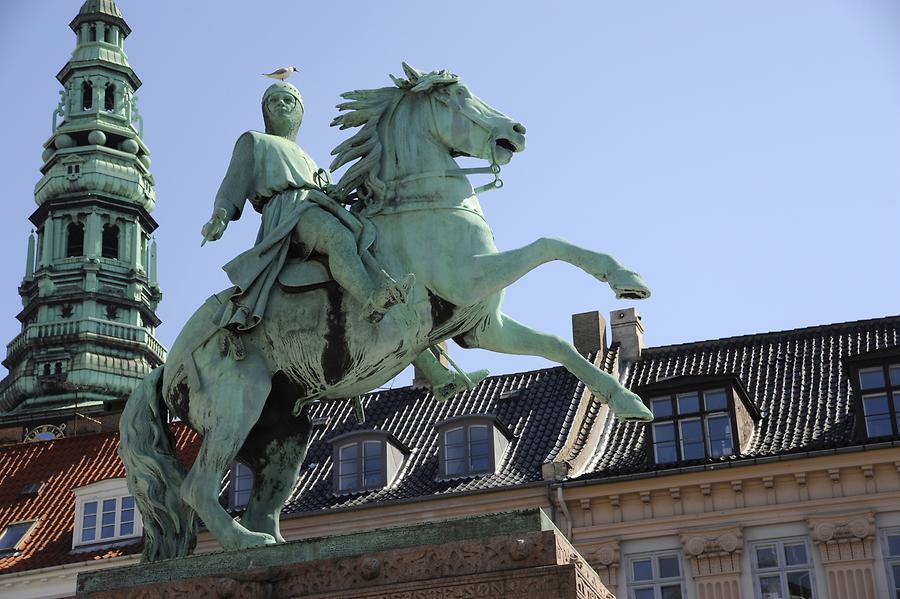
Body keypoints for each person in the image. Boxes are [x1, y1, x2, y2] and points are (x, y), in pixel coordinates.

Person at [200, 82, 412, 330]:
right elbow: (231, 185)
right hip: (289, 211)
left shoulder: (310, 159)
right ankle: (371, 300)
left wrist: (336, 193)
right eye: (274, 101)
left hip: (317, 207)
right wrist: (220, 216)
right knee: (338, 236)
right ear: (265, 111)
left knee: (368, 232)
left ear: (299, 111)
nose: (281, 104)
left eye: (288, 100)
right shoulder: (254, 141)